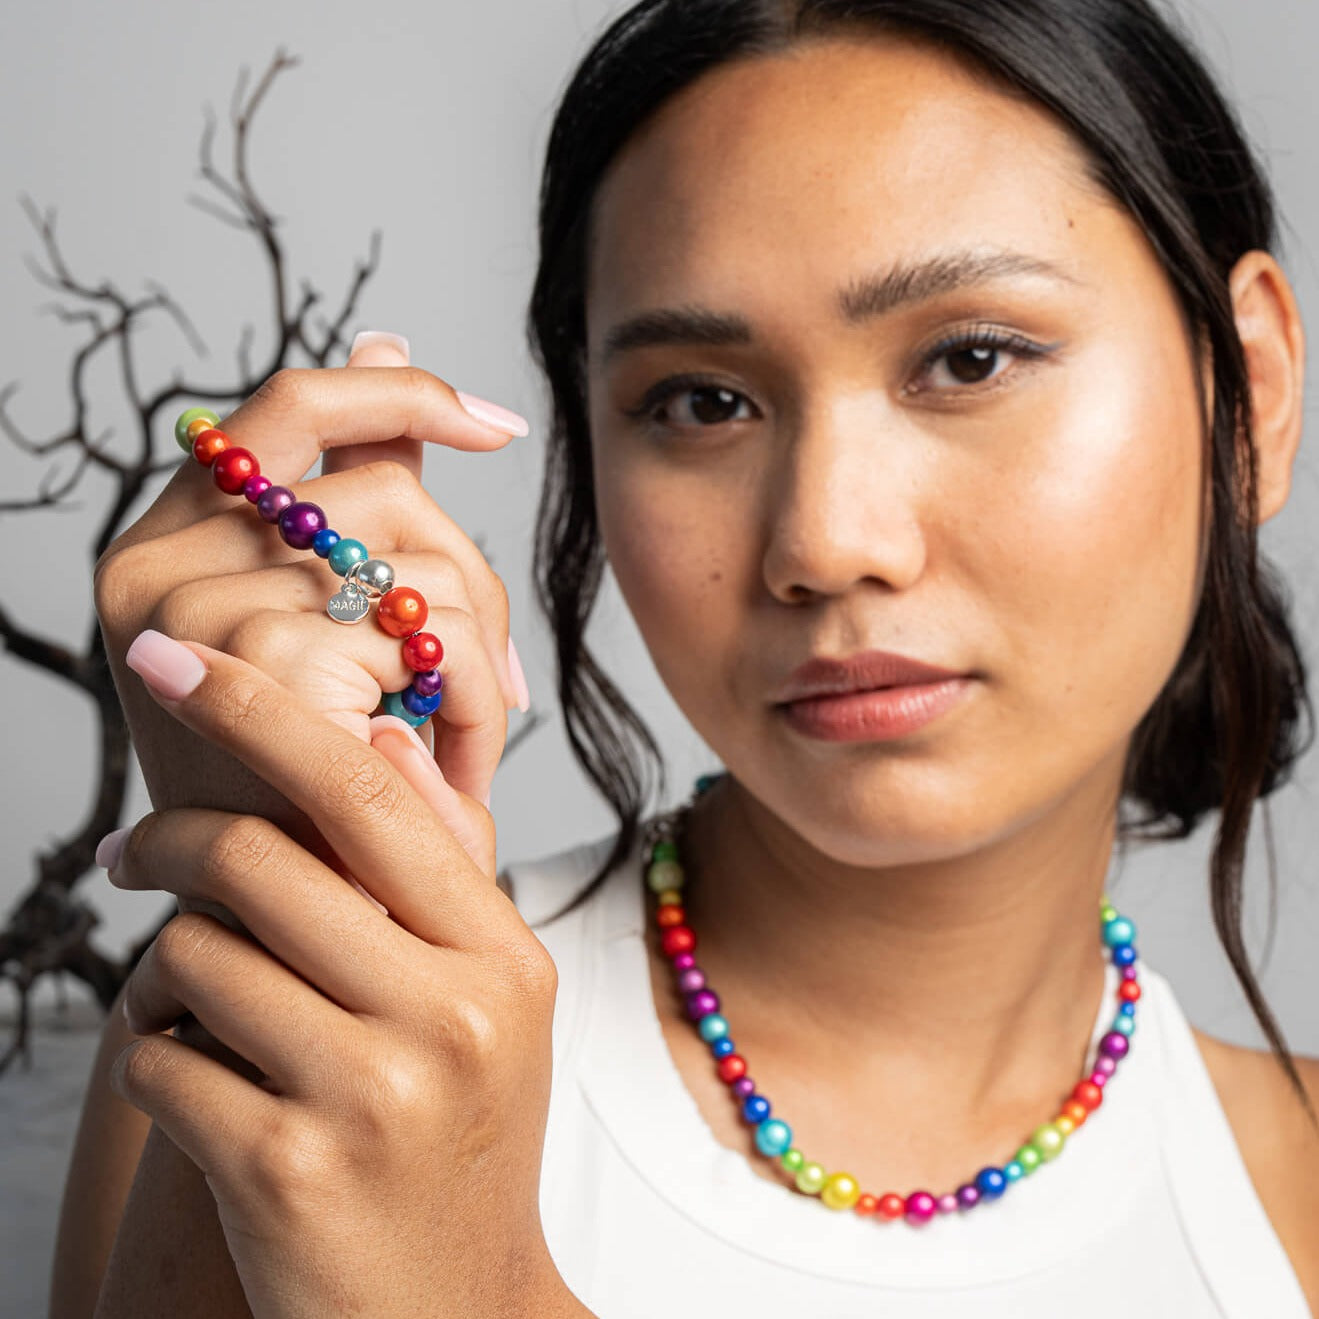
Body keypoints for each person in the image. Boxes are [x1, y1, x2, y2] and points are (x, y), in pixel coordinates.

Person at [50, 0, 1318, 1314]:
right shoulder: (301, 1054)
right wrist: (292, 882)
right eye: (701, 403)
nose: (826, 541)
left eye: (969, 359)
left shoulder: (1297, 1194)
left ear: (1256, 395)